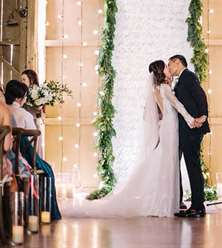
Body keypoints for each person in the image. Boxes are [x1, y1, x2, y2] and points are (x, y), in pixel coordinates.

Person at [62, 61, 205, 218]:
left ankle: (167, 202)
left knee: (167, 163)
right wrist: (191, 120)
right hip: (170, 127)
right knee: (169, 163)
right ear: (160, 71)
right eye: (165, 66)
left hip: (167, 126)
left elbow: (165, 110)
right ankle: (165, 203)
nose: (168, 68)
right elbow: (178, 106)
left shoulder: (157, 88)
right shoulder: (164, 88)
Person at [5, 80, 62, 220]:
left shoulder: (4, 110)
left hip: (8, 156)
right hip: (24, 157)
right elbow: (35, 142)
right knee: (48, 171)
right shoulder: (24, 115)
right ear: (19, 98)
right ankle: (45, 212)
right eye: (24, 96)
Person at [168, 54, 210, 218]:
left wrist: (203, 116)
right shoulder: (183, 78)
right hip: (188, 129)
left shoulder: (189, 77)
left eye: (170, 65)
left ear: (177, 63)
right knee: (192, 167)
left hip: (192, 129)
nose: (169, 68)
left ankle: (198, 206)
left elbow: (201, 96)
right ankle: (196, 205)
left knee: (193, 167)